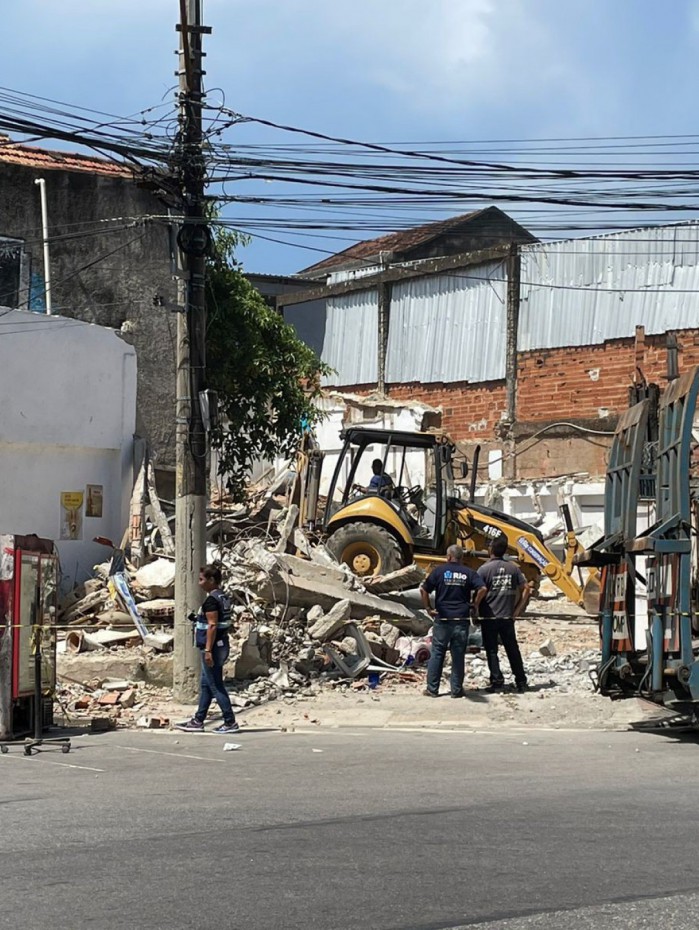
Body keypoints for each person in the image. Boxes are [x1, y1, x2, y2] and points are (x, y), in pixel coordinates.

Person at [175, 564, 239, 733]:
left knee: (216, 685)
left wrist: (208, 651)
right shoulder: (223, 597)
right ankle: (198, 720)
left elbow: (212, 625)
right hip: (221, 644)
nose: (199, 583)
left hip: (213, 647)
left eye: (201, 579)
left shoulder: (211, 600)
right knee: (206, 685)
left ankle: (230, 721)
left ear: (211, 580)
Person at [420, 545, 486, 698]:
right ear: (461, 557)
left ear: (449, 556)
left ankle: (432, 689)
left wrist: (428, 608)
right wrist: (475, 604)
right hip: (461, 619)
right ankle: (456, 690)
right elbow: (483, 588)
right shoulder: (468, 572)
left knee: (437, 653)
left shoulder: (439, 571)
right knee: (458, 655)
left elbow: (423, 590)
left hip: (442, 618)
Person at [477, 536, 531, 693]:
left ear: (491, 550)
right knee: (512, 649)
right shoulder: (513, 569)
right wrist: (517, 610)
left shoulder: (484, 569)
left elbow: (479, 590)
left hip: (489, 617)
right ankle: (521, 681)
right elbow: (526, 588)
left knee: (491, 650)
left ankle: (497, 681)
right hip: (507, 617)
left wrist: (475, 606)